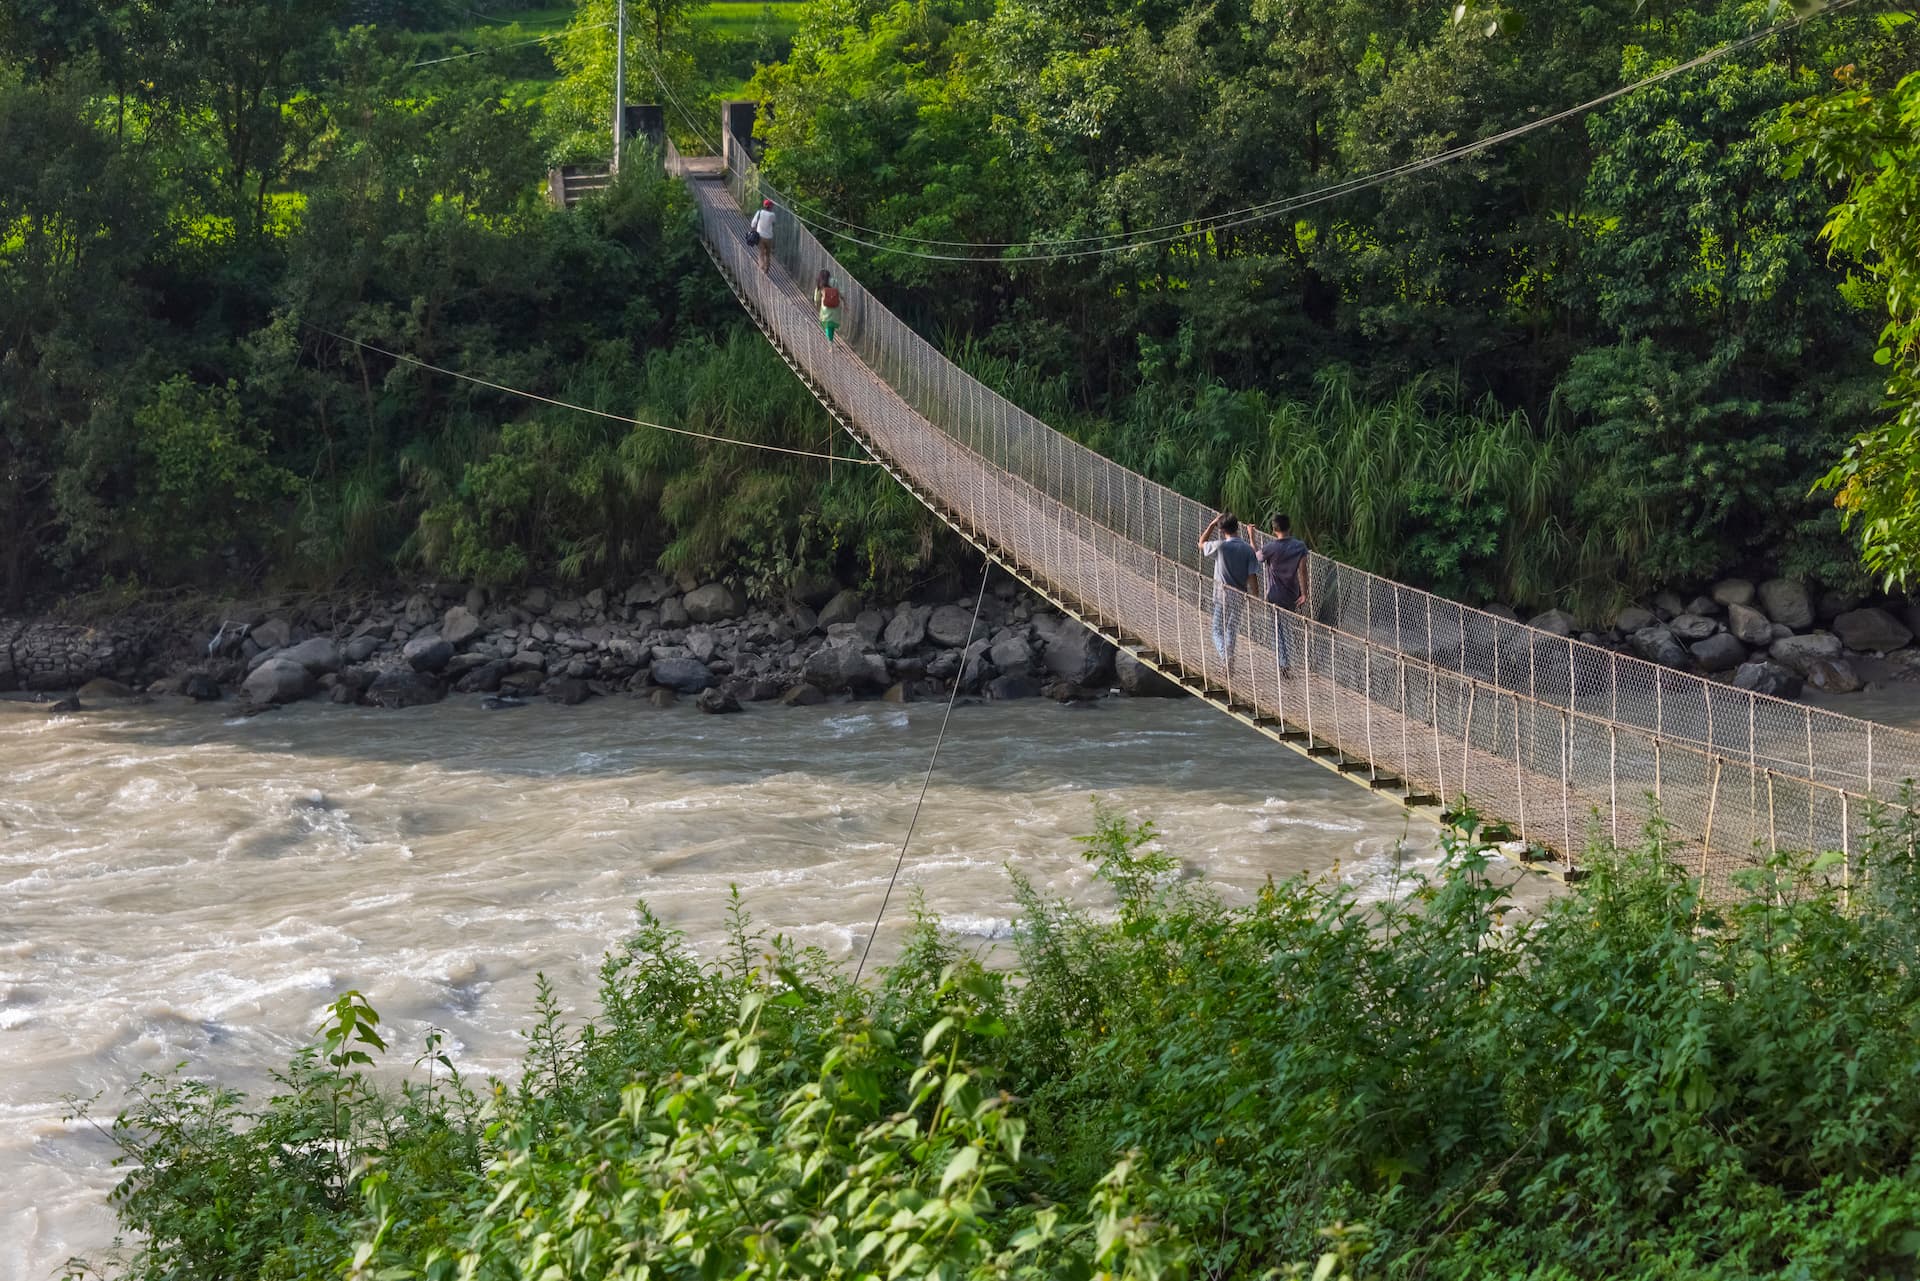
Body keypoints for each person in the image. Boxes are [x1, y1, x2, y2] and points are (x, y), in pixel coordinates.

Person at [1199, 511, 1258, 667]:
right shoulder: (1247, 549)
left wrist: (1212, 524)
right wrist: (1255, 595)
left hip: (1222, 595)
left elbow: (1201, 543)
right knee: (1231, 629)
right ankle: (1229, 658)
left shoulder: (1220, 546)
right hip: (1240, 595)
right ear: (1237, 527)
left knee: (1217, 629)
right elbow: (1252, 574)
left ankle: (1226, 657)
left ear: (1222, 530)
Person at [1258, 513, 1309, 677]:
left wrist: (1252, 538)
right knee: (1287, 629)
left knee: (1277, 630)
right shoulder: (1300, 546)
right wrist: (1304, 593)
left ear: (1274, 530)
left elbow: (1255, 557)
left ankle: (1283, 664)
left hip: (1274, 595)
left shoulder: (1270, 548)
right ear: (1289, 527)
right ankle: (1287, 662)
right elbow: (1302, 571)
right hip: (1292, 595)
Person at [814, 269, 843, 345]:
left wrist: (817, 305)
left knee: (826, 324)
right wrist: (845, 303)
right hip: (835, 307)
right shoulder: (835, 281)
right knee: (831, 325)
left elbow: (816, 298)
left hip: (825, 308)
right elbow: (841, 293)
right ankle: (830, 339)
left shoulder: (820, 282)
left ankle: (830, 341)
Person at [749, 198, 775, 273]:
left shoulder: (759, 212)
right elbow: (773, 223)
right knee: (768, 253)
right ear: (770, 207)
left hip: (760, 236)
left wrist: (753, 229)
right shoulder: (772, 215)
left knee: (761, 253)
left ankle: (761, 267)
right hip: (769, 237)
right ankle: (767, 268)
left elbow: (753, 222)